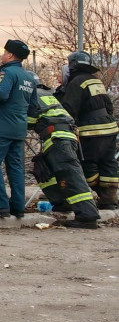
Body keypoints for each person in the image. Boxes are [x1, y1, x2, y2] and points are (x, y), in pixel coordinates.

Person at [0, 39, 38, 218]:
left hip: (1, 128)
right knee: (16, 167)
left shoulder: (7, 72)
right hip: (19, 129)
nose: (2, 54)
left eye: (4, 52)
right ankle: (18, 206)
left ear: (11, 55)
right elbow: (33, 106)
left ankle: (0, 205)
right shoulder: (29, 77)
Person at [29, 88, 100, 228]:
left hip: (58, 138)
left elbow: (29, 120)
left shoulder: (30, 95)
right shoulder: (45, 94)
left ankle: (88, 215)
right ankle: (62, 203)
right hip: (63, 137)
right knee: (43, 171)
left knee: (70, 175)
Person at [56, 51, 118, 210]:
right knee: (108, 163)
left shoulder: (76, 82)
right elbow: (109, 107)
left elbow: (69, 109)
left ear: (73, 65)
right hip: (109, 129)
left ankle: (94, 194)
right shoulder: (95, 81)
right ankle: (109, 200)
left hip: (91, 131)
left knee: (87, 163)